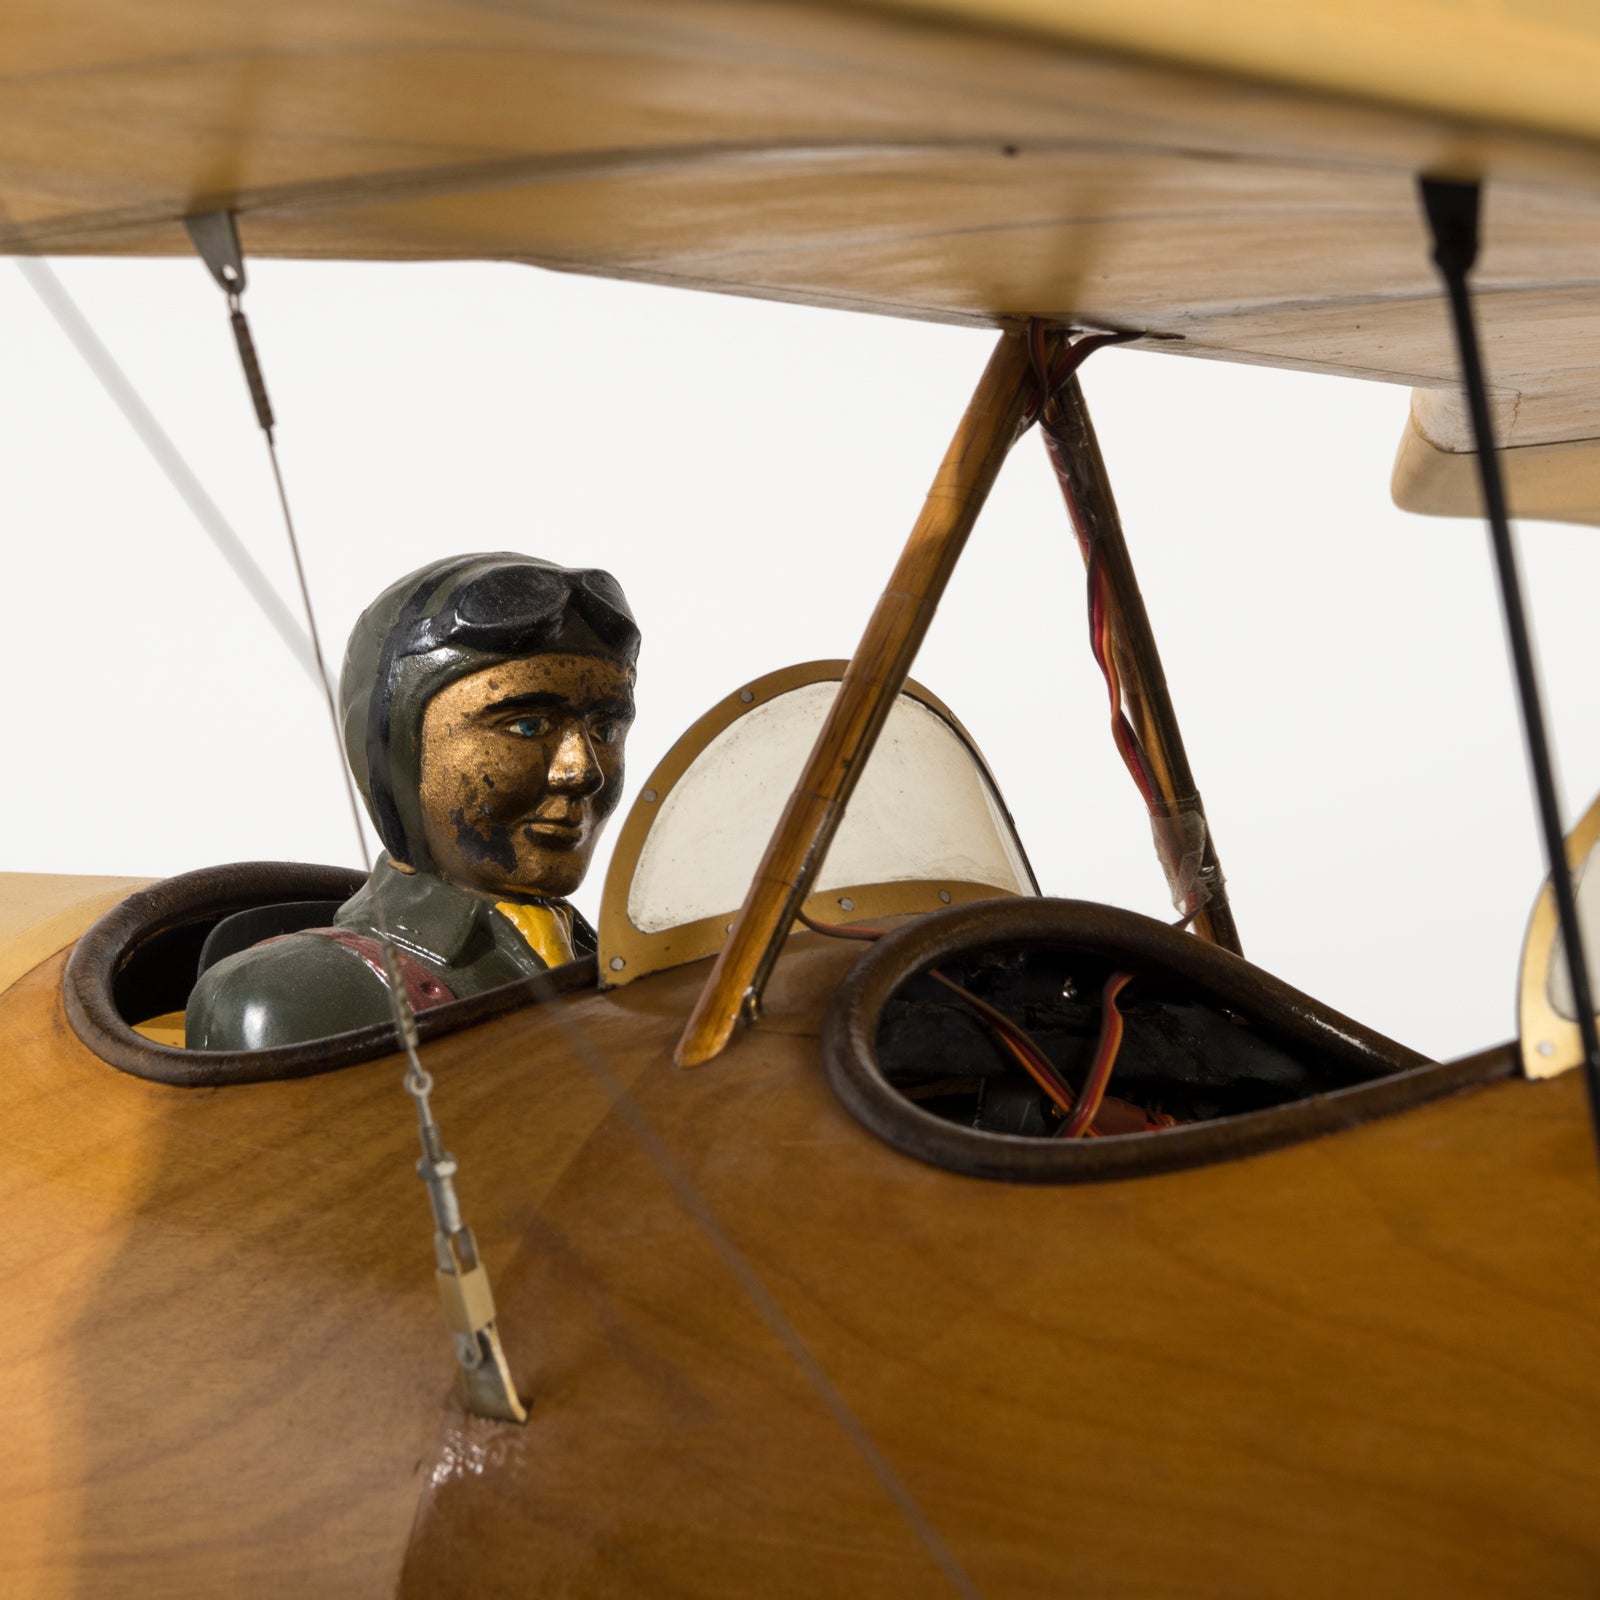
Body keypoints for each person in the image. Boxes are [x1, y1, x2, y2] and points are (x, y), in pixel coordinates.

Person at [186, 552, 638, 1050]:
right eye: (526, 725)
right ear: (395, 751)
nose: (584, 771)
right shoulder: (288, 1001)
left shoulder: (634, 969)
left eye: (605, 728)